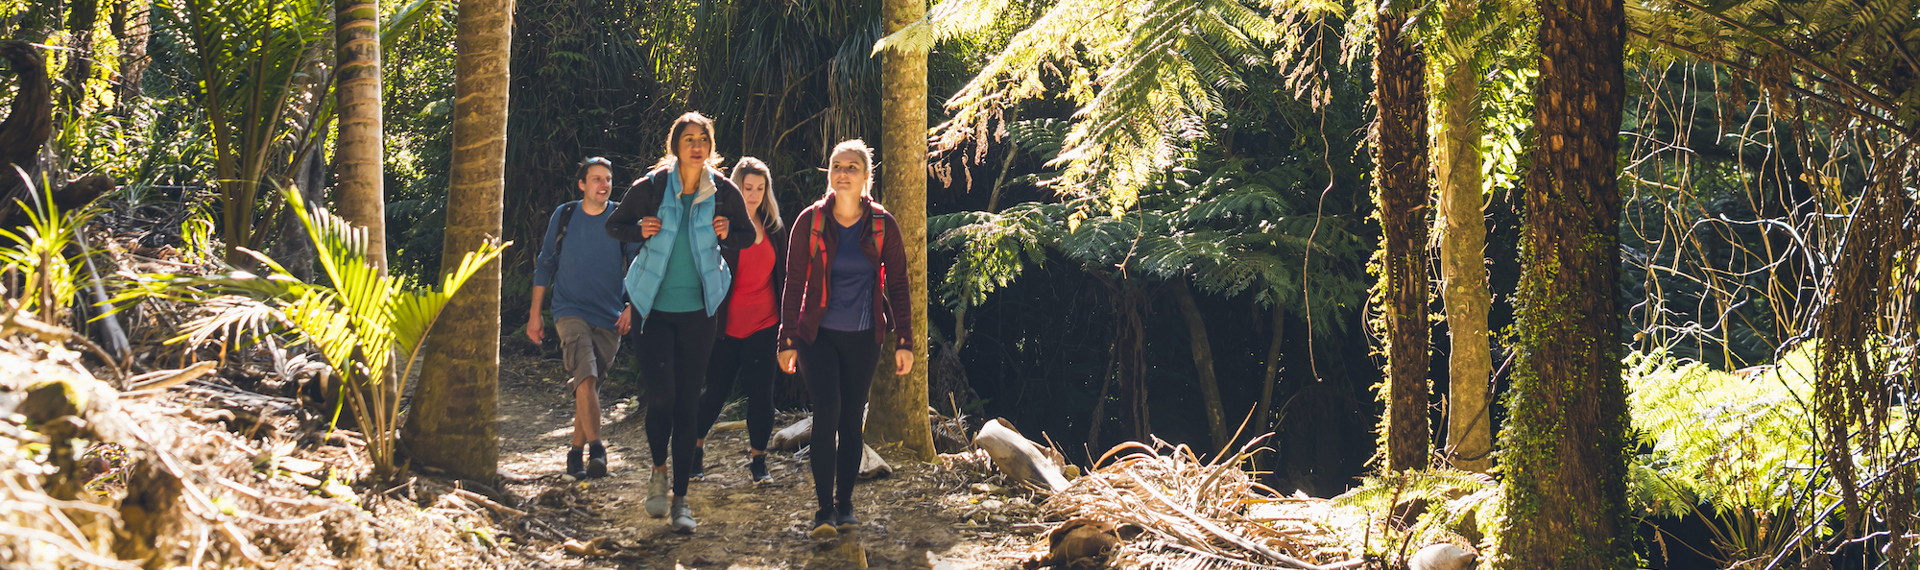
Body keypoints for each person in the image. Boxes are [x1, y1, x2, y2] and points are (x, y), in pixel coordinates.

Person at [606, 112, 754, 534]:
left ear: (710, 146)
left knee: (689, 402)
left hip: (699, 312)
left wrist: (728, 231)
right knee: (662, 398)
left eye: (702, 139)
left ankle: (682, 500)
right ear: (676, 146)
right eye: (688, 139)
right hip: (652, 308)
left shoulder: (724, 192)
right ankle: (657, 472)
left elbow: (747, 236)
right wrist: (639, 227)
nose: (696, 146)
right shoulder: (652, 187)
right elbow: (613, 225)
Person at [776, 139, 914, 538]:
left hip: (864, 335)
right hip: (816, 335)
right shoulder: (811, 221)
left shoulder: (882, 224)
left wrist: (904, 340)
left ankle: (846, 503)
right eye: (837, 166)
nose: (843, 173)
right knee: (828, 411)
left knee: (852, 418)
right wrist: (786, 338)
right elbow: (794, 283)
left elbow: (900, 284)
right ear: (830, 174)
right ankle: (823, 510)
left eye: (852, 166)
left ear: (866, 176)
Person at [526, 157, 636, 480]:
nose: (604, 185)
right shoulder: (566, 215)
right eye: (597, 179)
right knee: (586, 378)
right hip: (569, 311)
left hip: (610, 316)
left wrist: (633, 306)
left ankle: (575, 455)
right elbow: (545, 264)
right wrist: (535, 315)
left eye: (608, 179)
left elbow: (639, 264)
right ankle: (598, 450)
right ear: (582, 185)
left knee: (588, 386)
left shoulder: (621, 218)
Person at [691, 157, 785, 484]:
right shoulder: (720, 224)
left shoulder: (773, 228)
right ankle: (695, 449)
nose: (754, 194)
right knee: (715, 392)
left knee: (762, 396)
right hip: (725, 328)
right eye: (747, 188)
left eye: (760, 188)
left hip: (765, 323)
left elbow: (784, 277)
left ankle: (758, 461)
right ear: (735, 188)